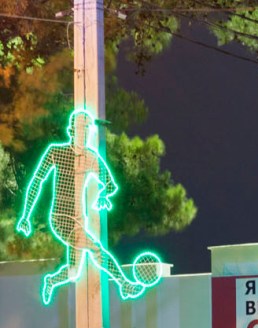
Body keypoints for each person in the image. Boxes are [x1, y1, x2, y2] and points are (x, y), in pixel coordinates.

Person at [17, 109, 162, 304]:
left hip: (80, 220)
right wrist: (26, 216)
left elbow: (109, 183)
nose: (85, 134)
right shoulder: (56, 153)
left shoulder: (90, 157)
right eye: (81, 130)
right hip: (61, 218)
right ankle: (124, 284)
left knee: (74, 272)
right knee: (96, 249)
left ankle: (51, 281)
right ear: (71, 131)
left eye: (88, 130)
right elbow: (37, 181)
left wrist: (103, 193)